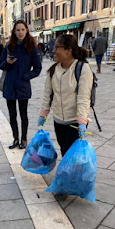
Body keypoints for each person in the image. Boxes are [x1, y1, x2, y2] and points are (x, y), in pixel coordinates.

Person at [38, 34, 93, 200]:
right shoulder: (54, 70)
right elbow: (47, 94)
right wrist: (43, 113)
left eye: (57, 47)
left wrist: (82, 121)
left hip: (75, 121)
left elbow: (84, 97)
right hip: (58, 120)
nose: (53, 50)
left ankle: (65, 186)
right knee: (65, 151)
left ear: (68, 50)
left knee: (72, 155)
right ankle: (72, 182)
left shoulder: (82, 69)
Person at [0, 20, 42, 149]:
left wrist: (26, 76)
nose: (20, 32)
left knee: (23, 115)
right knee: (12, 115)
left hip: (23, 86)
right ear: (14, 32)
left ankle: (24, 139)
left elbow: (38, 68)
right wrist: (7, 63)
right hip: (10, 86)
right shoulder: (9, 47)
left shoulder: (31, 48)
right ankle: (15, 139)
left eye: (23, 29)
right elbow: (1, 65)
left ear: (26, 30)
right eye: (18, 30)